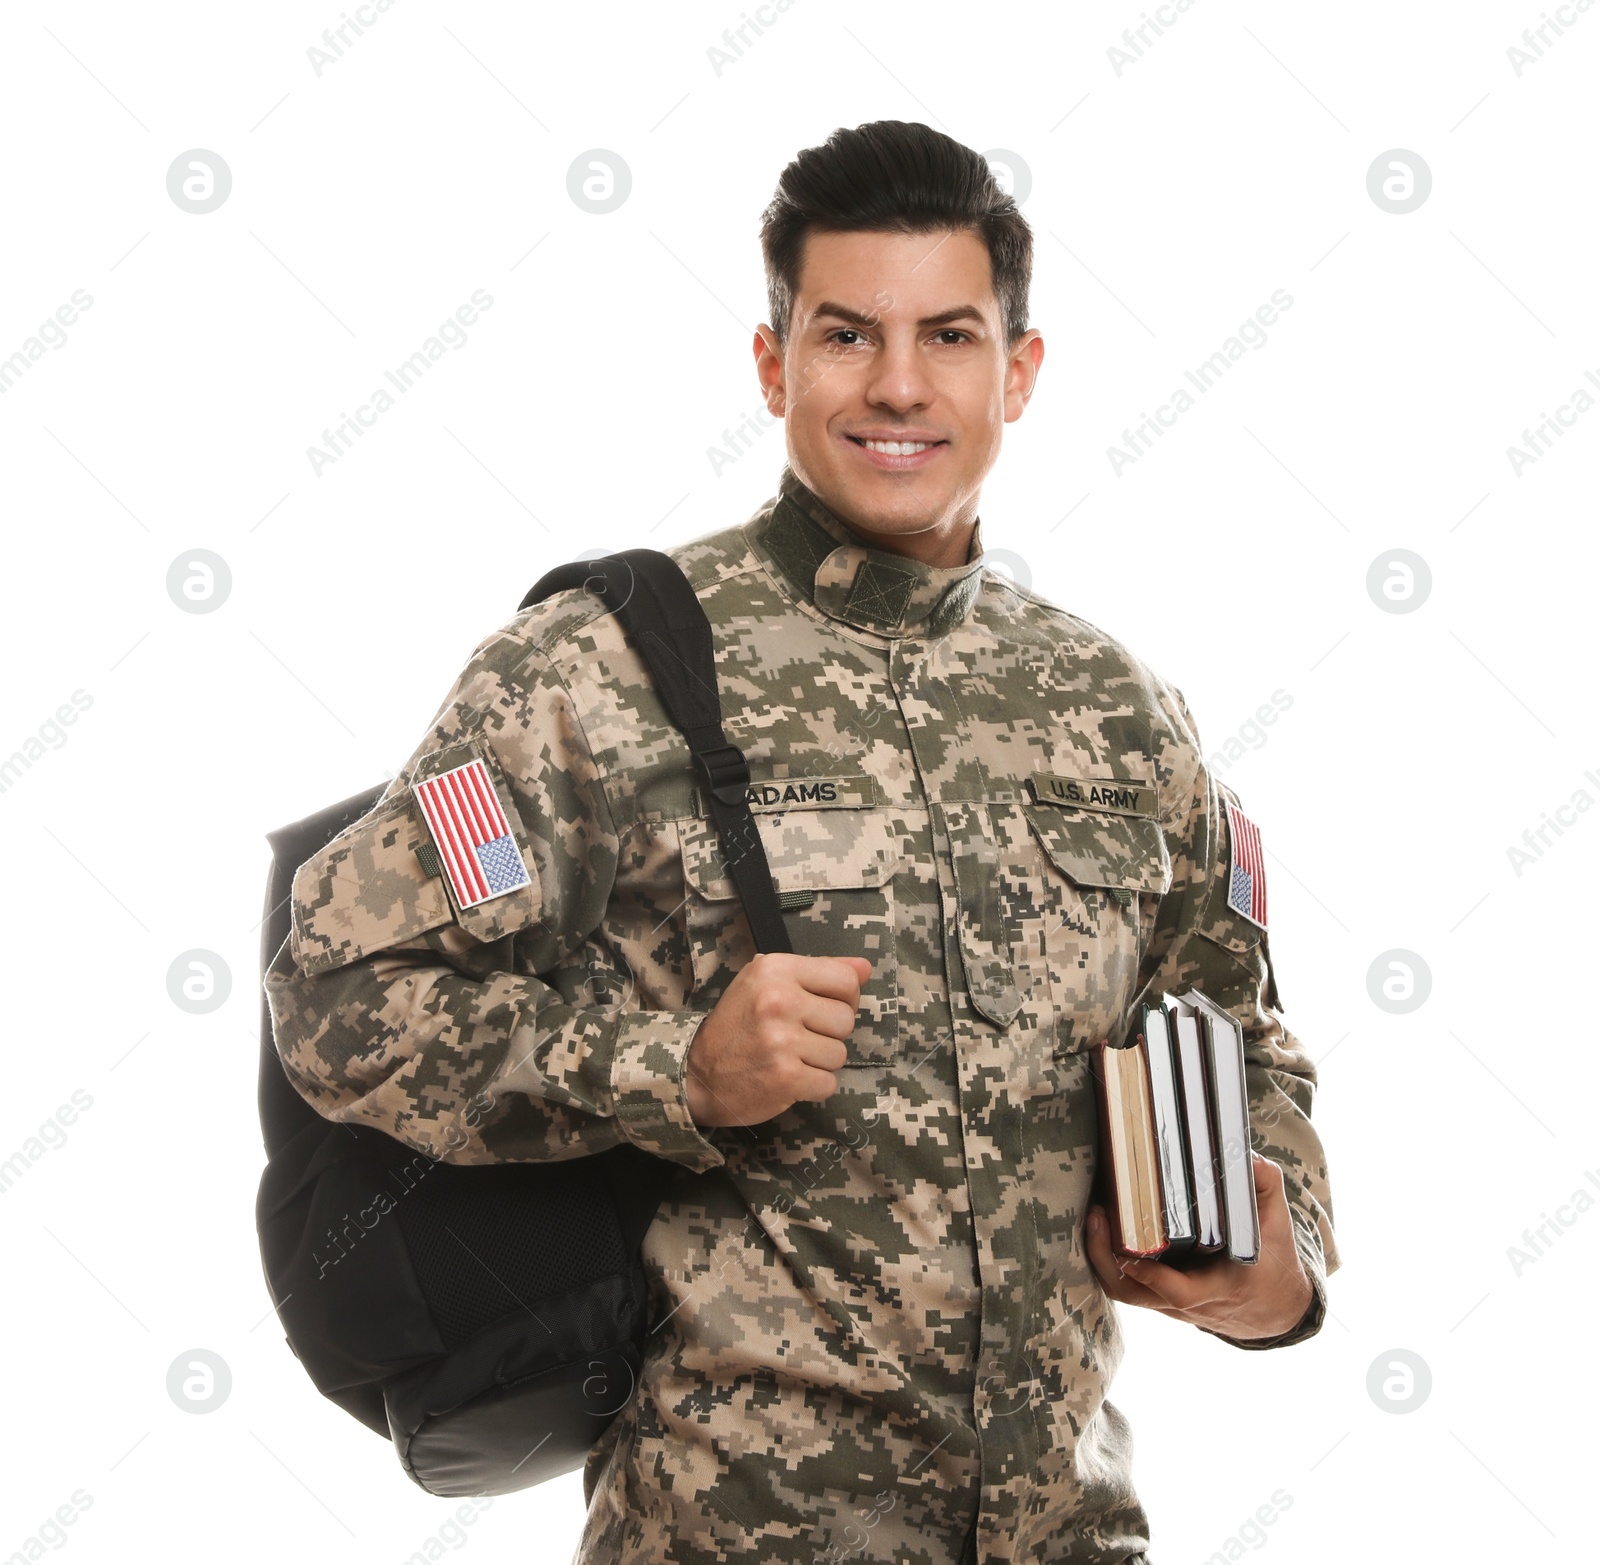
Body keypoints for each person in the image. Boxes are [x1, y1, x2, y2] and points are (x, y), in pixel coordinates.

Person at [267, 119, 1338, 1565]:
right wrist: (674, 1071)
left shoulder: (1120, 711)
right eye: (847, 333)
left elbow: (1240, 1031)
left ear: (1017, 371)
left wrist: (1275, 1271)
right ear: (773, 364)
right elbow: (335, 988)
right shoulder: (592, 672)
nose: (900, 384)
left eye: (950, 334)